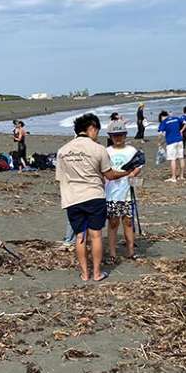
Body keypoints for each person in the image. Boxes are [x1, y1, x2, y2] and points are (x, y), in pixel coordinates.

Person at [55, 113, 140, 282]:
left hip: (72, 197)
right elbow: (110, 175)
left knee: (80, 236)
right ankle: (96, 273)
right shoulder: (98, 149)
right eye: (97, 131)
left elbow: (60, 178)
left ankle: (84, 274)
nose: (97, 135)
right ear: (92, 128)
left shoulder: (63, 151)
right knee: (95, 235)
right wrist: (128, 172)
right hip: (94, 196)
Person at [105, 121, 139, 261]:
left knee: (129, 222)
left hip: (128, 193)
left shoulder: (132, 151)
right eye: (115, 136)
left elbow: (138, 166)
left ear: (125, 135)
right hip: (111, 194)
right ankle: (112, 253)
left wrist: (134, 173)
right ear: (110, 137)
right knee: (113, 223)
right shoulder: (106, 152)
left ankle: (130, 251)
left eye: (120, 135)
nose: (118, 138)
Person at [158, 110, 186, 182]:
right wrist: (181, 130)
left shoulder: (164, 122)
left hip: (171, 143)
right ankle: (182, 176)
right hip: (179, 140)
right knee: (181, 158)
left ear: (162, 117)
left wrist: (159, 142)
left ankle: (173, 177)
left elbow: (160, 134)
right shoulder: (176, 118)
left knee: (173, 159)